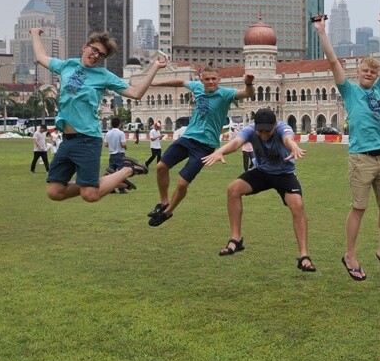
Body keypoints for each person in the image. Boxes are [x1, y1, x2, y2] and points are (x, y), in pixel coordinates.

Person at [30, 27, 166, 202]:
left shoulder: (103, 75)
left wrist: (154, 67)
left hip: (87, 139)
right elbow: (41, 57)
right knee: (55, 192)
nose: (96, 55)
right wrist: (35, 33)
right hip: (67, 140)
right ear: (84, 47)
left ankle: (128, 169)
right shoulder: (67, 65)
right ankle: (111, 180)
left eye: (101, 55)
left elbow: (136, 93)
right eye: (94, 50)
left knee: (90, 194)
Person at [314, 11, 380, 280]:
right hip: (361, 157)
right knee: (359, 208)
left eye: (373, 72)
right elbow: (332, 61)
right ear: (358, 71)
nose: (370, 74)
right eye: (365, 70)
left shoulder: (379, 90)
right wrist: (322, 32)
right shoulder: (349, 91)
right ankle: (350, 254)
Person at [202, 108, 314, 271]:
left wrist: (294, 147)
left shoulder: (283, 128)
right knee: (233, 189)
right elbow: (236, 143)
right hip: (262, 172)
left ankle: (304, 256)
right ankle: (236, 239)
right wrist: (220, 151)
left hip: (284, 174)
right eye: (260, 131)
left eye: (267, 131)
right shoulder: (250, 130)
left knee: (297, 206)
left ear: (275, 126)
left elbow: (288, 139)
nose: (263, 135)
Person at [147, 68, 255, 226]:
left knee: (182, 184)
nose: (211, 82)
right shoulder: (197, 87)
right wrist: (154, 82)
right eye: (207, 79)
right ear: (201, 80)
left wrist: (249, 84)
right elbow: (181, 82)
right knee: (161, 166)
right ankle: (163, 202)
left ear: (219, 79)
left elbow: (248, 93)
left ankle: (167, 212)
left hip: (205, 146)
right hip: (188, 138)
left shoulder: (226, 94)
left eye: (214, 79)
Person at [104, 117, 130, 193]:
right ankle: (121, 188)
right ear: (119, 124)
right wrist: (125, 147)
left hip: (112, 155)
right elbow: (123, 144)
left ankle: (111, 188)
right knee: (121, 172)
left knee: (111, 172)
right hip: (120, 154)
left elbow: (105, 144)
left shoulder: (108, 133)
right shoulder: (121, 133)